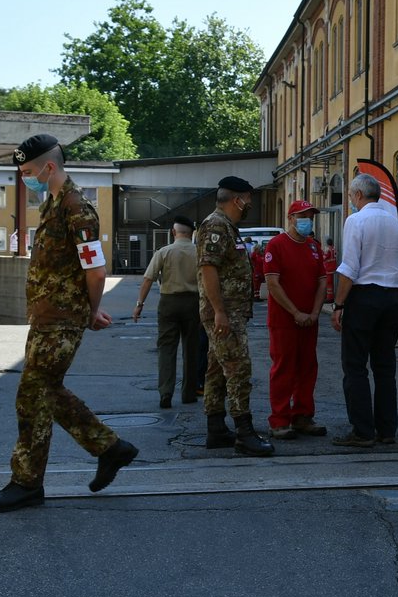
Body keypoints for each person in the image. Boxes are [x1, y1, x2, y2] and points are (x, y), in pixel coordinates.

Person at [0, 133, 137, 511]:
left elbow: (96, 270)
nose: (24, 178)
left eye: (27, 171)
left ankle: (30, 480)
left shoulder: (76, 208)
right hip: (48, 318)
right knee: (43, 393)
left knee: (33, 394)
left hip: (60, 322)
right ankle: (108, 449)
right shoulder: (53, 204)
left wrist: (89, 311)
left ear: (48, 167)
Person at [196, 176, 275, 457]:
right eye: (248, 199)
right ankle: (244, 433)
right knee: (239, 370)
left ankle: (216, 428)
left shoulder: (227, 226)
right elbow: (208, 268)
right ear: (236, 199)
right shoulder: (216, 225)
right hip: (224, 314)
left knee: (217, 371)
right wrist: (219, 312)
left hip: (229, 313)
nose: (249, 204)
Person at [329, 173, 398, 448]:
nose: (351, 201)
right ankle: (387, 429)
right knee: (385, 367)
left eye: (352, 196)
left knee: (355, 366)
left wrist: (339, 304)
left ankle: (362, 430)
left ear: (359, 195)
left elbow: (349, 267)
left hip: (364, 296)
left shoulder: (356, 220)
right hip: (391, 296)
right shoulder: (397, 225)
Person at [263, 199, 329, 439]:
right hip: (284, 321)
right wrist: (295, 313)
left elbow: (322, 280)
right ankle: (279, 420)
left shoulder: (313, 246)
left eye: (310, 216)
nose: (307, 221)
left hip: (309, 320)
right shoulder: (276, 245)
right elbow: (272, 283)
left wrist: (313, 312)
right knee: (284, 369)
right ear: (290, 219)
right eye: (302, 216)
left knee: (308, 367)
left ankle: (303, 416)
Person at [132, 215, 200, 409]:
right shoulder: (199, 252)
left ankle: (166, 393)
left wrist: (139, 304)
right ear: (192, 233)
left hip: (169, 302)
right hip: (194, 303)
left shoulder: (164, 252)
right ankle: (188, 393)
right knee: (191, 349)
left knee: (166, 349)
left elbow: (148, 279)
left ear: (173, 232)